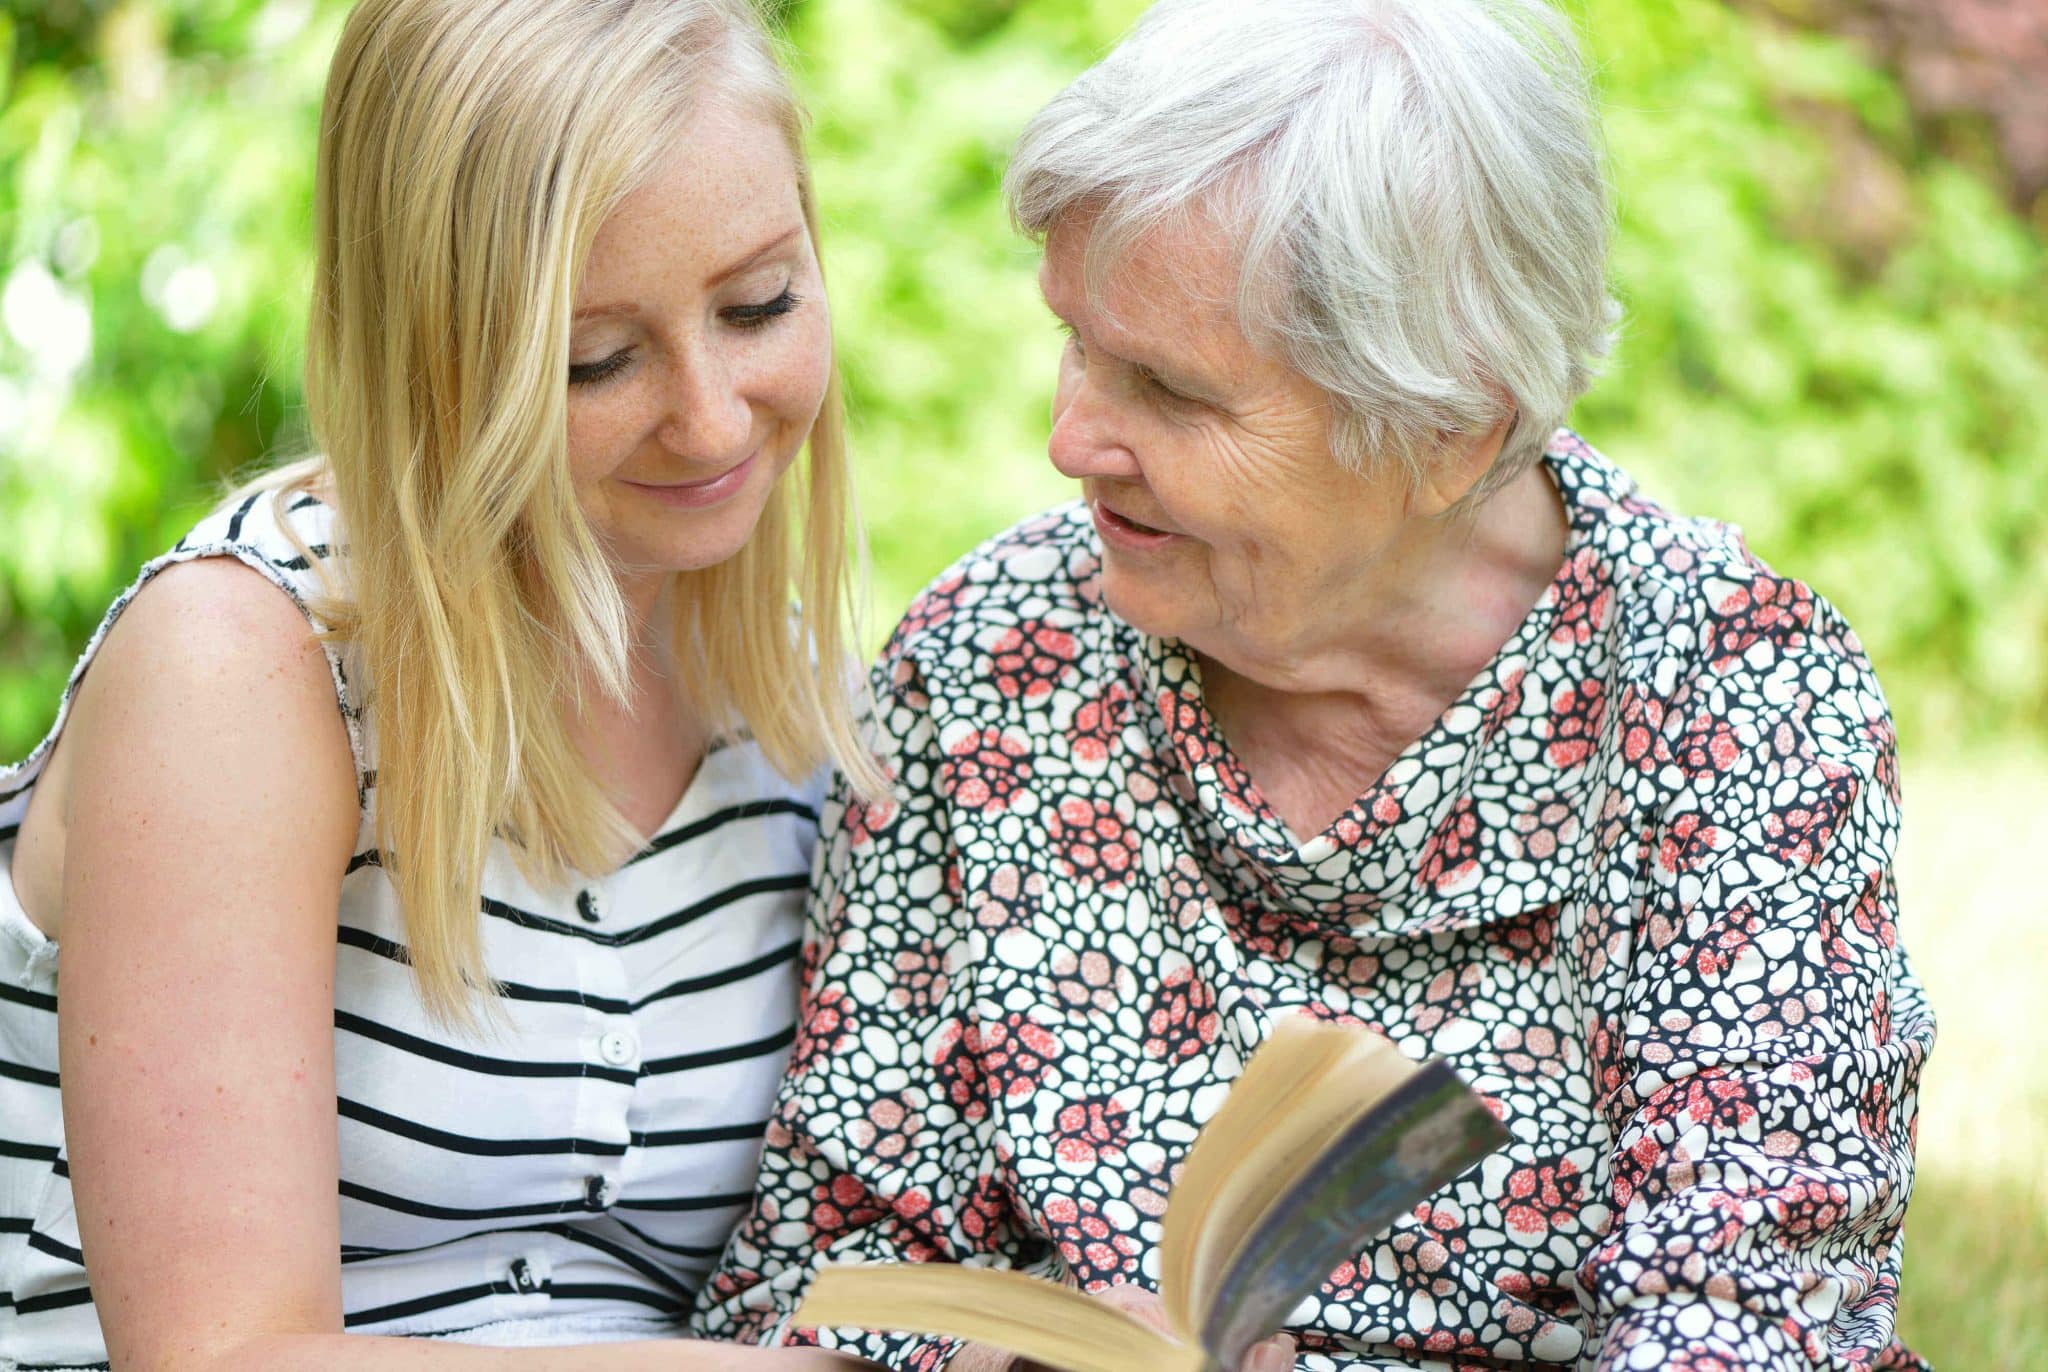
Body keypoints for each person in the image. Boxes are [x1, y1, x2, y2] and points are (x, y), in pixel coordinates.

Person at [692, 0, 1934, 1368]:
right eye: (1076, 343)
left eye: (1169, 390)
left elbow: (1759, 1323)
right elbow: (819, 1284)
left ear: (1452, 431)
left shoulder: (1733, 693)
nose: (1068, 437)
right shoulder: (991, 668)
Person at [0, 0, 877, 1365]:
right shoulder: (244, 668)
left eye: (758, 303)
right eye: (598, 358)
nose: (710, 416)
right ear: (431, 355)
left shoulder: (805, 701)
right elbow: (223, 1354)